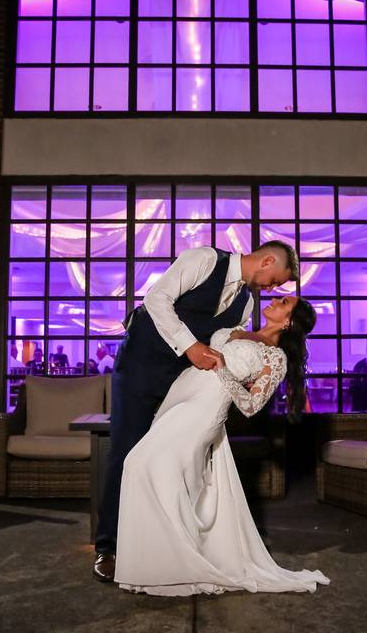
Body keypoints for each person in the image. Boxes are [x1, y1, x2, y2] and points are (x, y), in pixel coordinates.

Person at [92, 241, 299, 583]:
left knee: (172, 462)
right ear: (266, 260)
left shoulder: (246, 304)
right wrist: (190, 346)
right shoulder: (204, 259)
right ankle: (109, 547)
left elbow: (226, 346)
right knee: (127, 451)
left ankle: (161, 542)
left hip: (185, 385)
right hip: (141, 366)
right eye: (276, 280)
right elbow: (156, 300)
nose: (273, 289)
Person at [114, 295, 328, 595]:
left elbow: (252, 405)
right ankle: (155, 562)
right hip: (178, 398)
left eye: (283, 302)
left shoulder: (275, 357)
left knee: (141, 464)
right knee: (159, 473)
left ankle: (177, 562)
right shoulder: (238, 327)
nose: (275, 301)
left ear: (289, 321)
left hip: (204, 412)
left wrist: (223, 370)